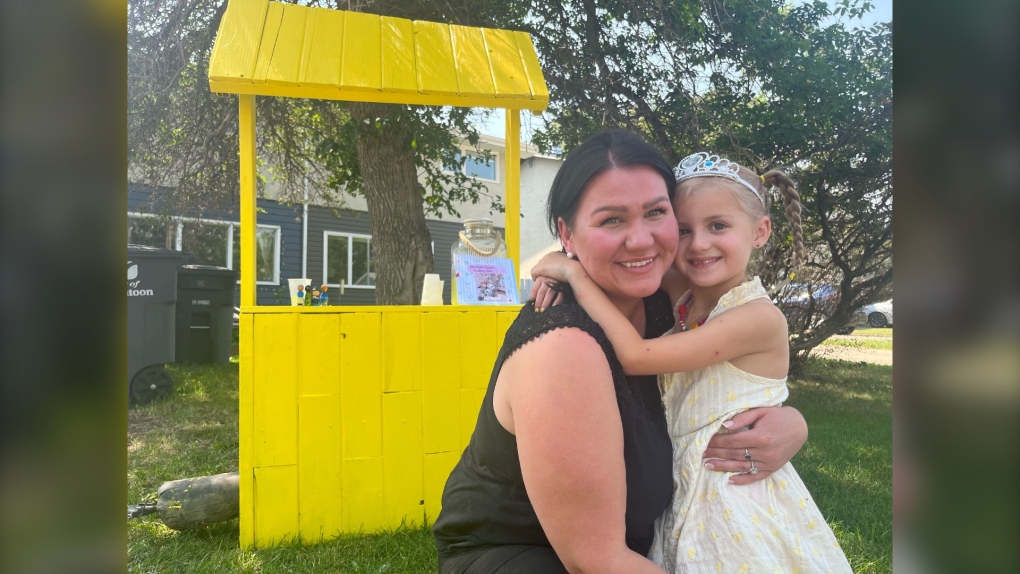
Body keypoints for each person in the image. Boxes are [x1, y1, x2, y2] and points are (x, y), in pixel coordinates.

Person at [432, 131, 809, 574]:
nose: (641, 240)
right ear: (566, 234)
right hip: (529, 557)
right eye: (612, 220)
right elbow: (595, 560)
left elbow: (735, 374)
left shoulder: (667, 298)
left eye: (656, 213)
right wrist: (575, 276)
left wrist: (792, 422)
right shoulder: (562, 345)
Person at [530, 151, 853, 572]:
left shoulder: (756, 317)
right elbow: (622, 262)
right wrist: (567, 259)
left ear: (760, 232)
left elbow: (634, 355)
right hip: (689, 486)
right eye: (683, 230)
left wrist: (573, 275)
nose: (699, 244)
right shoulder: (686, 294)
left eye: (718, 226)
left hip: (733, 492)